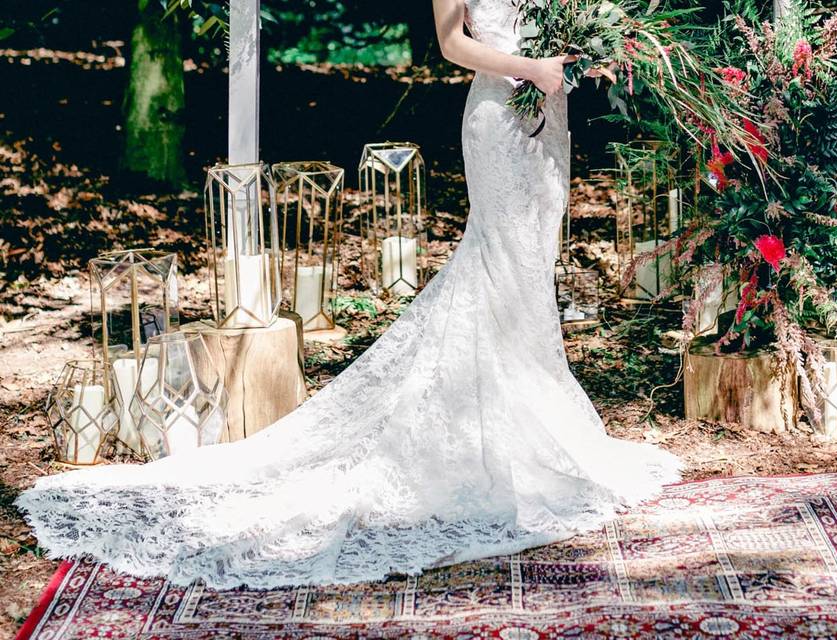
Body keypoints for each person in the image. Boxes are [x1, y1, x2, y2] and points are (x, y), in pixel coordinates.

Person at [15, 0, 682, 589]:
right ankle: (501, 431)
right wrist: (531, 68)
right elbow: (453, 43)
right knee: (500, 261)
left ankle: (526, 409)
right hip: (498, 116)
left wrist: (582, 54)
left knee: (532, 265)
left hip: (548, 119)